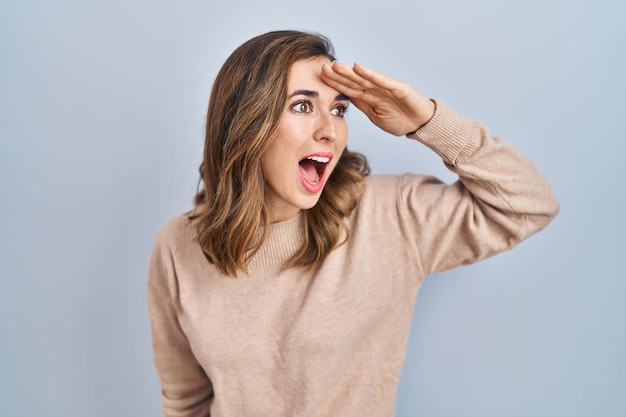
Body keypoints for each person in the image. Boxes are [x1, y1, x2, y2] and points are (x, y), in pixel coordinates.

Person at [147, 30, 559, 417]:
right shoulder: (178, 244)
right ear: (246, 123)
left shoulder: (390, 215)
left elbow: (530, 204)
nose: (330, 130)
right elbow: (187, 400)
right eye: (303, 105)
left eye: (339, 109)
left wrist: (428, 123)